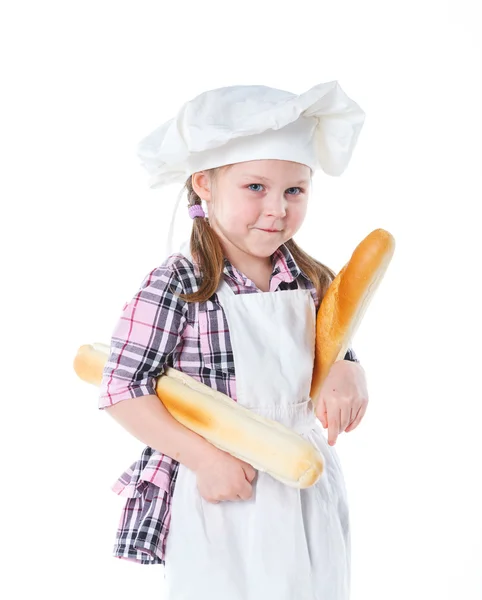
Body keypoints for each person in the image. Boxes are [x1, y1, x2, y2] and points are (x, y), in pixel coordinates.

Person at [98, 80, 369, 600]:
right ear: (204, 183)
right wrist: (205, 460)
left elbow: (332, 351)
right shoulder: (180, 282)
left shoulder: (313, 280)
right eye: (255, 188)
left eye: (295, 190)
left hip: (304, 480)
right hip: (226, 486)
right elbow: (123, 387)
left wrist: (348, 368)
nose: (277, 209)